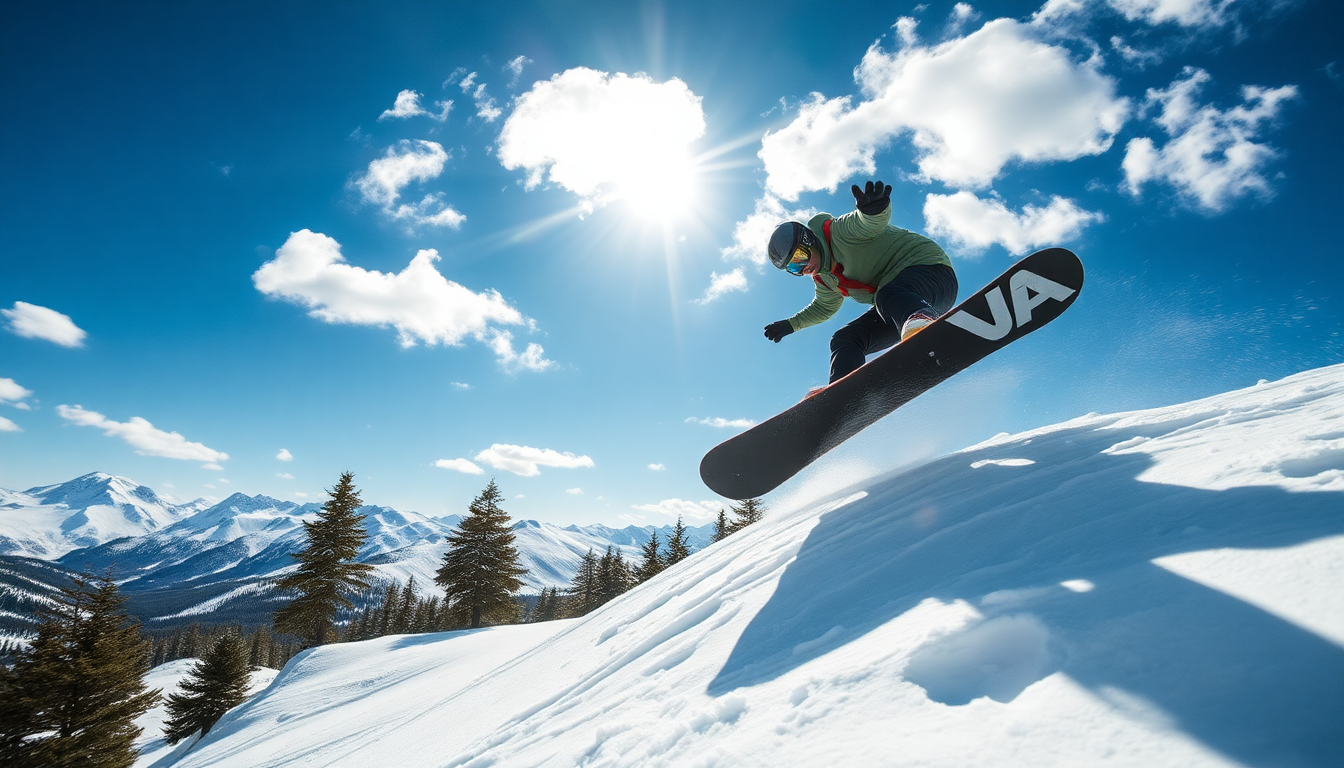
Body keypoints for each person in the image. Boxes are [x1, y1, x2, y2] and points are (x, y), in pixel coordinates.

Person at [763, 180, 958, 390]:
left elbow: (865, 223)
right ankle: (842, 396)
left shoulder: (839, 232)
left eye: (800, 257)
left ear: (809, 239)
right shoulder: (825, 280)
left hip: (933, 275)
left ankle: (922, 327)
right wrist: (791, 325)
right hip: (902, 309)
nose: (803, 268)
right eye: (793, 268)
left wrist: (874, 210)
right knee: (845, 338)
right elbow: (823, 308)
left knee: (887, 295)